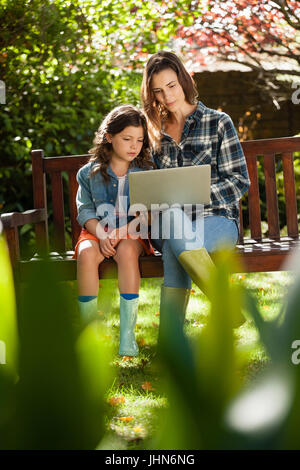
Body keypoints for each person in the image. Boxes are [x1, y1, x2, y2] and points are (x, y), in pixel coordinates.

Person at [141, 51, 250, 335]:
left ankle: (171, 342)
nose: (166, 96)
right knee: (174, 223)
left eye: (171, 86)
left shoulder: (218, 122)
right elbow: (145, 186)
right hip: (166, 224)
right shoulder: (153, 132)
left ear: (184, 80)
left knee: (177, 248)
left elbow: (239, 181)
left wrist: (192, 195)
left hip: (216, 220)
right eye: (158, 91)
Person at [74, 105, 154, 357]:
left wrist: (120, 234)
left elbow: (147, 215)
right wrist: (101, 234)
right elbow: (85, 210)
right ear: (109, 137)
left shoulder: (145, 171)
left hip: (131, 232)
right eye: (127, 139)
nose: (134, 146)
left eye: (140, 140)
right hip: (97, 232)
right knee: (86, 254)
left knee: (128, 252)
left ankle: (127, 336)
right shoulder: (88, 173)